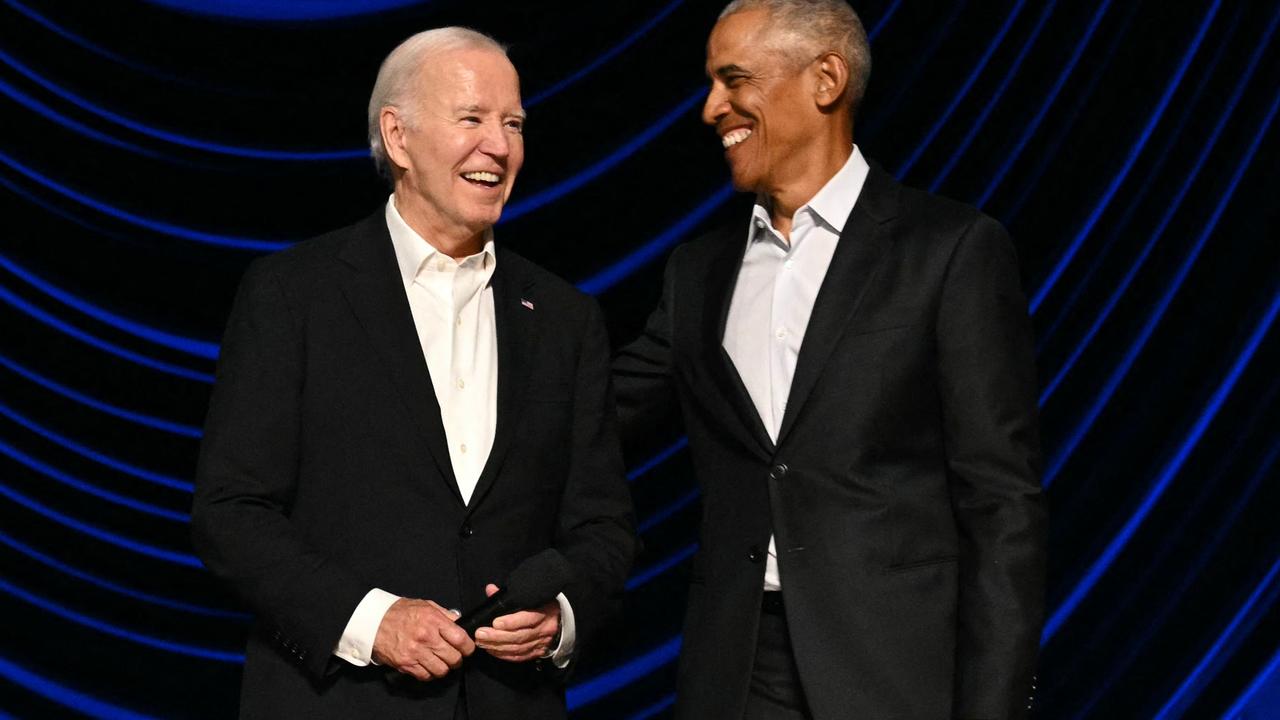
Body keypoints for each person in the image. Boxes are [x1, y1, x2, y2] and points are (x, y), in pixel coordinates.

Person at [613, 1, 1047, 718]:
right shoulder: (697, 274)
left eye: (734, 79)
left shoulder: (948, 250)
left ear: (826, 79)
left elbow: (1002, 503)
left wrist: (994, 705)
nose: (711, 108)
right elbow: (598, 414)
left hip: (896, 674)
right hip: (738, 672)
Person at [192, 27, 636, 720]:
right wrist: (370, 621)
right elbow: (231, 513)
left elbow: (604, 528)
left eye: (513, 123)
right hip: (338, 701)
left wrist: (562, 616)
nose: (500, 144)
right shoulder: (293, 294)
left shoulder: (564, 317)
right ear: (398, 138)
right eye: (472, 119)